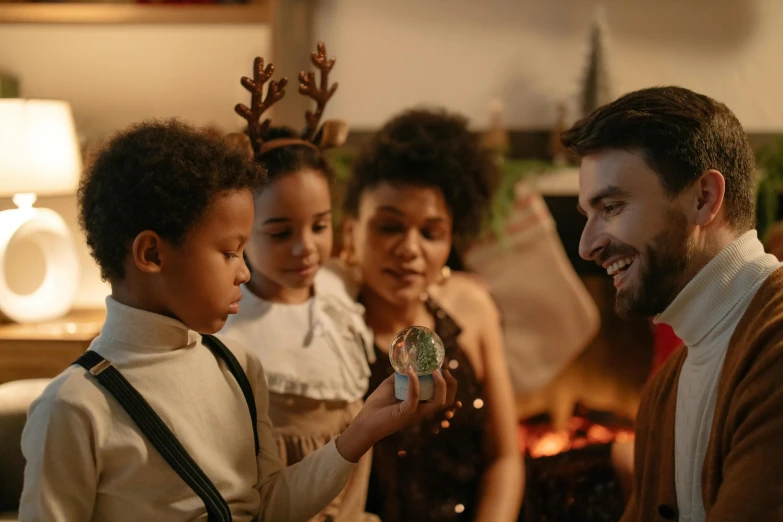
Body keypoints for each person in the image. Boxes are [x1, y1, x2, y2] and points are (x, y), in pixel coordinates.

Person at [18, 119, 457, 522]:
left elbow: (269, 508)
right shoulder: (74, 406)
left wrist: (362, 430)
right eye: (229, 252)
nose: (243, 272)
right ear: (152, 254)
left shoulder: (237, 365)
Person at [563, 85, 783, 522]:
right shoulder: (666, 389)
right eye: (587, 214)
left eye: (611, 206)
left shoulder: (774, 347)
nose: (587, 245)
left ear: (704, 198)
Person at [340, 108, 523, 522]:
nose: (410, 249)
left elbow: (506, 458)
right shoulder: (331, 328)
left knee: (624, 461)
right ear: (350, 232)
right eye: (389, 227)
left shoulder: (471, 308)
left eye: (430, 232)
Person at [220, 45, 377, 522]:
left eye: (320, 225)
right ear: (244, 227)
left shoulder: (337, 293)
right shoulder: (230, 324)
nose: (305, 247)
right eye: (280, 232)